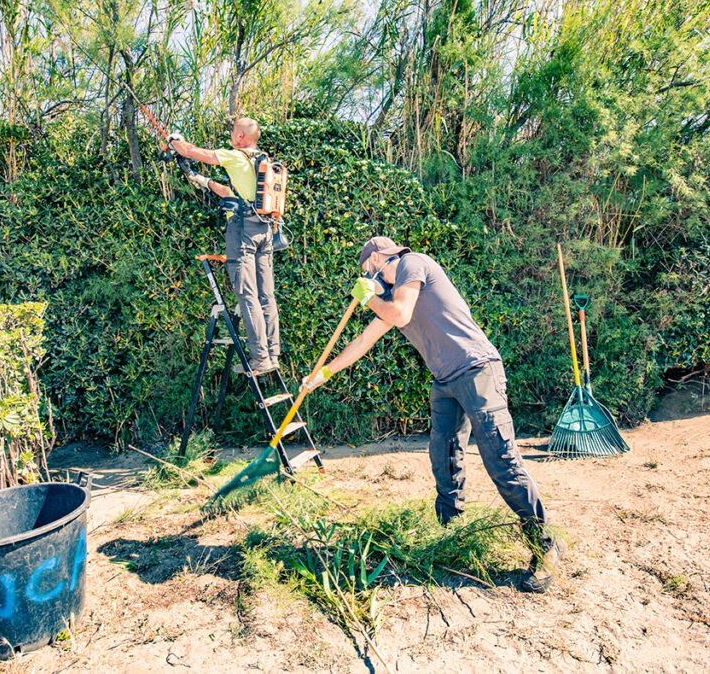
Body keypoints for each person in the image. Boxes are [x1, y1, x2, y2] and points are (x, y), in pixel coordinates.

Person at [300, 236, 563, 591]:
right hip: (445, 381)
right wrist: (323, 374)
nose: (365, 276)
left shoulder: (413, 263)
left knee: (500, 456)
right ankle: (451, 531)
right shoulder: (390, 298)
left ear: (377, 258)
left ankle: (544, 544)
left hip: (476, 370)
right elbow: (363, 341)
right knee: (444, 454)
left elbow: (402, 314)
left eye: (366, 270)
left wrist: (369, 296)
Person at [168, 118, 280, 374]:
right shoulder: (262, 162)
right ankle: (272, 354)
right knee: (266, 296)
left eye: (232, 131)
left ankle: (260, 359)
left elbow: (193, 152)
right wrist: (197, 178)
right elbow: (230, 193)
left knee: (247, 294)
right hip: (265, 230)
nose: (230, 135)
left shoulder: (235, 156)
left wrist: (173, 141)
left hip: (242, 232)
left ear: (240, 135)